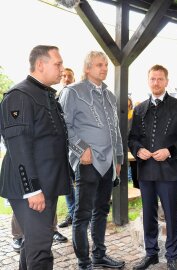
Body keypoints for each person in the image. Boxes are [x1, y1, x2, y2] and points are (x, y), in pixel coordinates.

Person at [0, 45, 71, 269]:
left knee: (35, 243)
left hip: (45, 184)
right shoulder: (20, 95)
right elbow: (18, 146)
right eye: (57, 64)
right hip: (31, 188)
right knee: (41, 249)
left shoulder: (44, 94)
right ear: (40, 65)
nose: (61, 69)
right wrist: (32, 189)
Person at [59, 51, 125, 270]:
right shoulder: (73, 92)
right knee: (82, 214)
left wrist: (118, 158)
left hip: (108, 164)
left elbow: (115, 129)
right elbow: (63, 126)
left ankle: (99, 255)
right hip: (87, 162)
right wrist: (80, 149)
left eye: (106, 64)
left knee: (102, 210)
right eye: (99, 65)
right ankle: (84, 261)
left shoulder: (109, 95)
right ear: (87, 68)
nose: (104, 68)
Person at [129, 64, 177, 270]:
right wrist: (138, 150)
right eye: (152, 79)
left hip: (169, 171)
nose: (156, 82)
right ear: (148, 81)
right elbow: (132, 138)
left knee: (171, 214)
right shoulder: (139, 109)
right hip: (146, 171)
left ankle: (172, 256)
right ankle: (151, 254)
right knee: (149, 214)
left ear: (166, 81)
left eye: (160, 79)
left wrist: (170, 151)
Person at [58, 67, 76, 228]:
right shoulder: (55, 97)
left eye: (69, 76)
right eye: (63, 76)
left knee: (80, 183)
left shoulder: (77, 96)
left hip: (76, 149)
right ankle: (72, 214)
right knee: (67, 184)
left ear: (74, 79)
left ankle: (83, 216)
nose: (66, 78)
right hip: (60, 150)